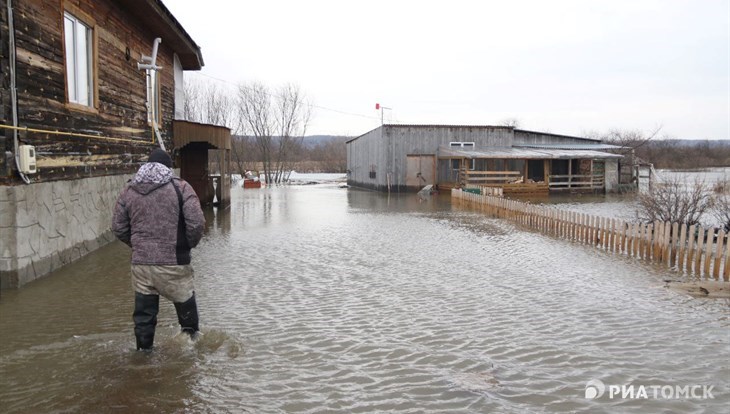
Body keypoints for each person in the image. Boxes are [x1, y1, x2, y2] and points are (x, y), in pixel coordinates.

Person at [112, 148, 206, 351]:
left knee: (143, 318)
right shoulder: (181, 188)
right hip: (173, 263)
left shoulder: (129, 190)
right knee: (188, 318)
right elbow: (196, 224)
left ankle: (143, 358)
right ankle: (191, 359)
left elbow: (118, 227)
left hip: (141, 266)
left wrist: (138, 245)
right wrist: (187, 245)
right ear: (169, 168)